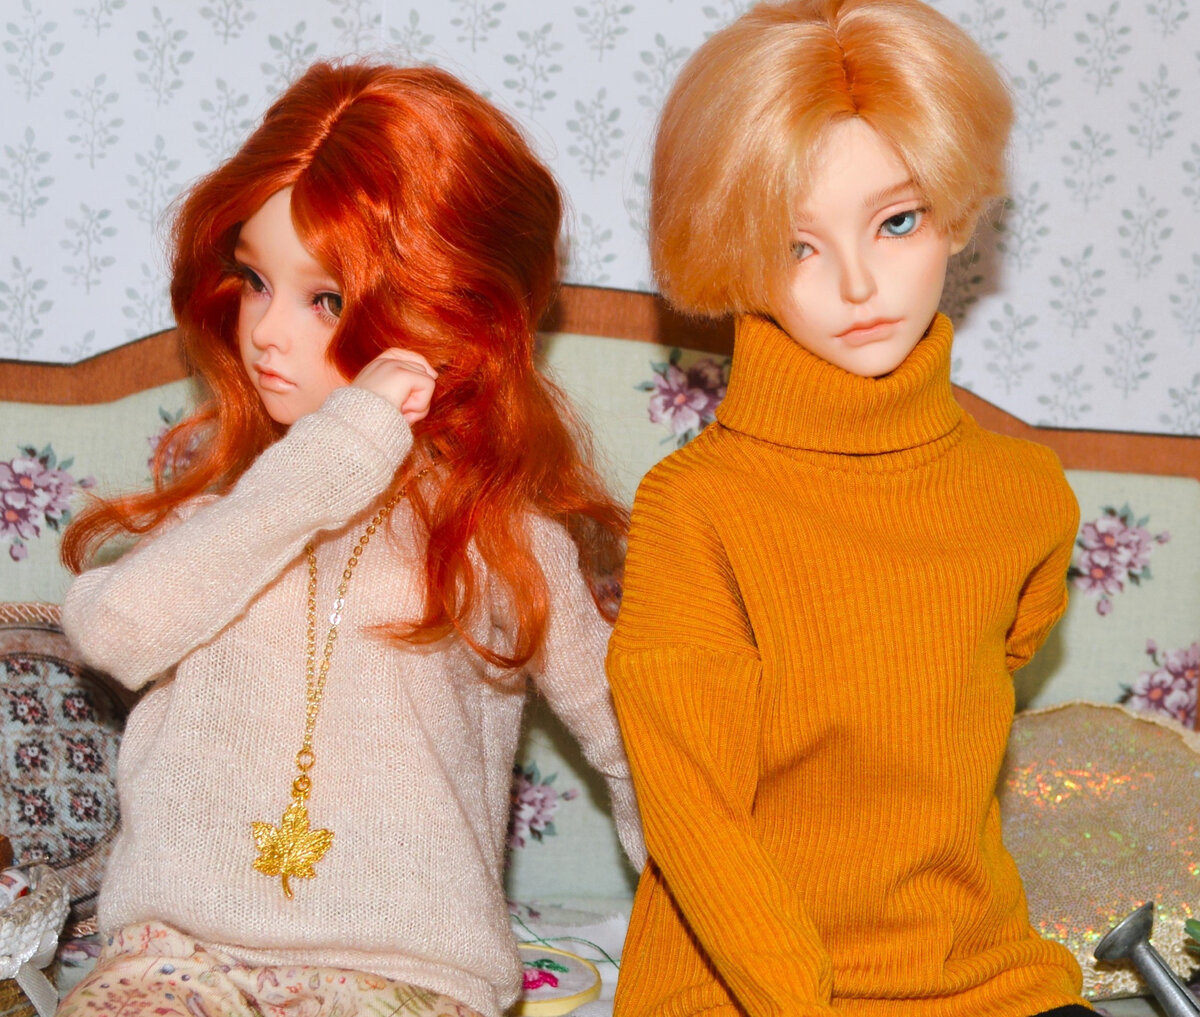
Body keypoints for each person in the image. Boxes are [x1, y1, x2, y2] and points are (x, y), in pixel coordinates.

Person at [57, 61, 643, 1017]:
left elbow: (631, 740)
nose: (265, 334)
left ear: (441, 313)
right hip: (176, 950)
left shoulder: (501, 534)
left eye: (324, 300)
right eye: (255, 281)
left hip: (407, 967)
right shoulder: (235, 508)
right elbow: (112, 632)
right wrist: (332, 457)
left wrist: (705, 927)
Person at [606, 2, 1090, 1016]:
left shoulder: (1027, 496)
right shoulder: (697, 509)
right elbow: (694, 814)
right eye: (798, 246)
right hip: (740, 987)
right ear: (733, 252)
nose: (859, 283)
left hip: (982, 982)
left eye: (897, 221)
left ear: (955, 208)